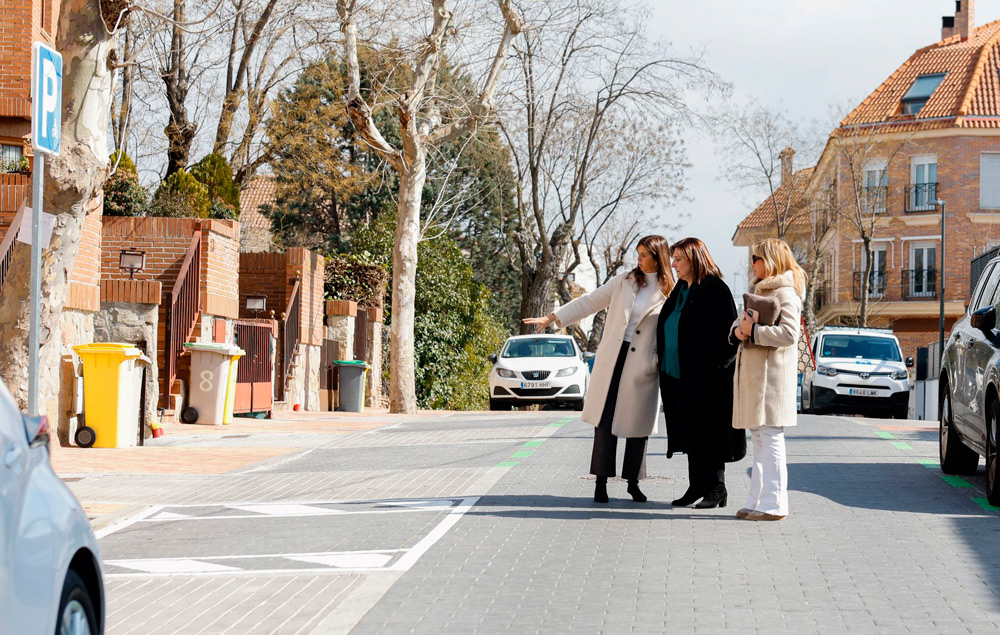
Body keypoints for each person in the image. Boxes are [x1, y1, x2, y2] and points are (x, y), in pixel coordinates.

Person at [524, 235, 675, 503]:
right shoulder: (624, 281)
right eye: (637, 254)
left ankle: (633, 482)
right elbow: (590, 301)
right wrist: (554, 318)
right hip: (613, 358)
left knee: (637, 423)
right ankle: (601, 482)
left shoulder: (670, 291)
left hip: (643, 364)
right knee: (604, 421)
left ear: (657, 257)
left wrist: (657, 362)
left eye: (643, 255)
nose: (637, 260)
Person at [656, 237, 745, 509]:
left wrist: (717, 366)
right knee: (690, 431)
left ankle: (717, 487)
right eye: (673, 259)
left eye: (679, 259)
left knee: (710, 432)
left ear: (695, 259)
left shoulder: (715, 288)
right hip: (677, 374)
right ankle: (696, 485)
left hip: (708, 378)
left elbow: (731, 335)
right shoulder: (680, 289)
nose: (673, 264)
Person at [731, 238, 805, 521]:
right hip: (756, 378)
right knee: (760, 438)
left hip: (772, 380)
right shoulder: (758, 290)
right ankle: (757, 500)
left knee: (771, 438)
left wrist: (754, 331)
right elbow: (741, 324)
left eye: (756, 258)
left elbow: (789, 335)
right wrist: (739, 331)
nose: (752, 264)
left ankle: (774, 505)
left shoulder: (785, 292)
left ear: (770, 259)